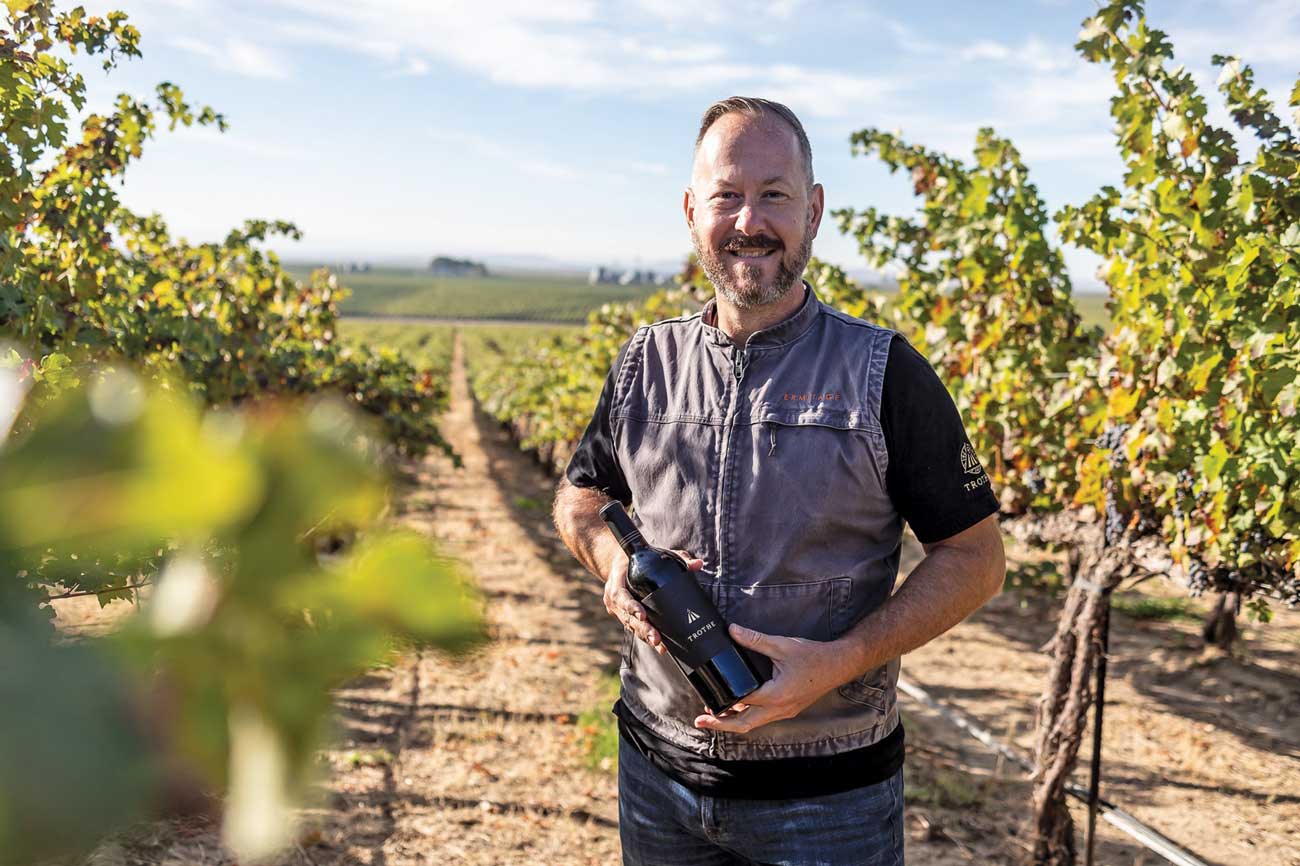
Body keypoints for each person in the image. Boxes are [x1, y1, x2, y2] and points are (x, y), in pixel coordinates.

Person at [552, 96, 1006, 866]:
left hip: (828, 802)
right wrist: (614, 562)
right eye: (726, 196)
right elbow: (581, 498)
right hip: (657, 775)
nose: (748, 221)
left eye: (775, 194)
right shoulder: (644, 363)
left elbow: (976, 560)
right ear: (692, 211)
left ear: (815, 209)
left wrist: (840, 661)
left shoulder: (883, 372)